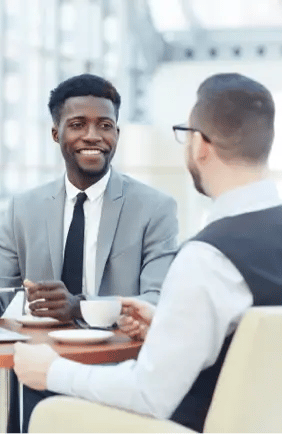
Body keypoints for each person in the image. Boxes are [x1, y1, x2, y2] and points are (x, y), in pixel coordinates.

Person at [14, 72, 282, 433]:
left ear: (201, 145)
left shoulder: (208, 257)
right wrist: (168, 325)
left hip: (187, 423)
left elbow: (150, 393)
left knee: (34, 397)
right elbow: (250, 351)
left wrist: (51, 369)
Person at [0, 73, 179, 433]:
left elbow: (156, 302)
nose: (93, 136)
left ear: (117, 134)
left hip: (115, 383)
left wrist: (79, 307)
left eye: (105, 125)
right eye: (78, 124)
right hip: (36, 380)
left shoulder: (155, 208)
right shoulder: (25, 208)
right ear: (56, 133)